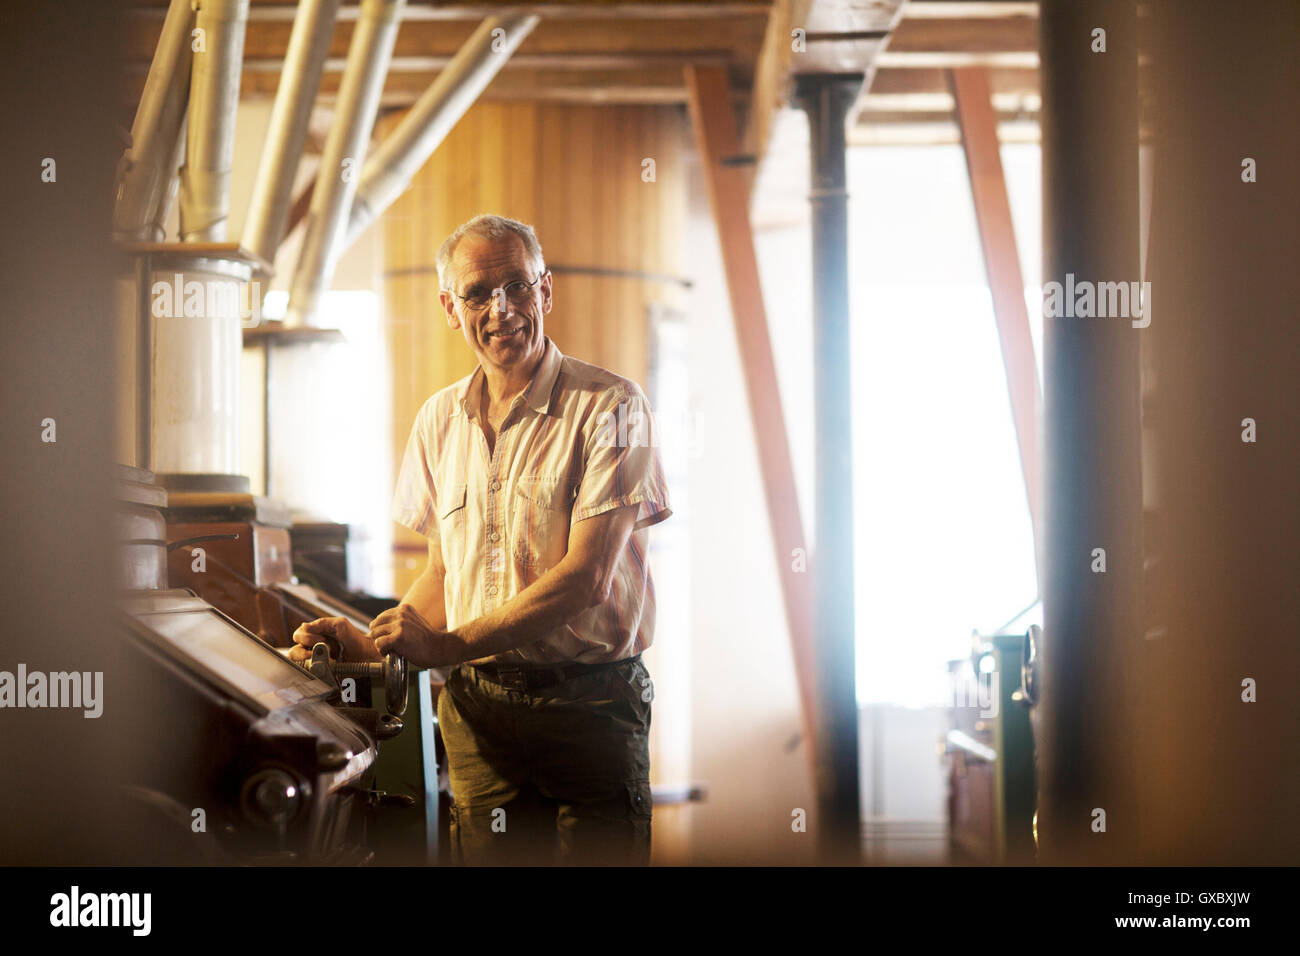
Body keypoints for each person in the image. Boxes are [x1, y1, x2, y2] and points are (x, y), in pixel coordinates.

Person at [293, 214, 671, 866]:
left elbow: (587, 579)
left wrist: (444, 646)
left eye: (517, 287)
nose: (501, 310)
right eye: (477, 293)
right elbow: (446, 576)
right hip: (478, 717)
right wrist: (373, 638)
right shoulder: (439, 422)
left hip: (590, 709)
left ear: (545, 292)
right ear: (450, 307)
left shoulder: (612, 407)